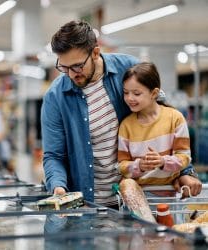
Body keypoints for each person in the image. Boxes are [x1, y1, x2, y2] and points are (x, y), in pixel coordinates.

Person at [41, 20, 201, 207]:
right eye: (64, 67)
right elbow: (54, 156)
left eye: (77, 66)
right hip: (88, 203)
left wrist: (185, 173)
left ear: (95, 52)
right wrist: (58, 187)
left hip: (137, 199)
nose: (70, 74)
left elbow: (163, 120)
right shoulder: (56, 97)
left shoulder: (129, 69)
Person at [118, 62, 194, 191]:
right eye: (126, 92)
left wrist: (163, 162)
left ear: (154, 93)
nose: (129, 98)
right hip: (138, 195)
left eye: (136, 93)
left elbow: (184, 157)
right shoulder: (126, 125)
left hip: (171, 194)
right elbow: (121, 166)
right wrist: (139, 165)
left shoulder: (175, 118)